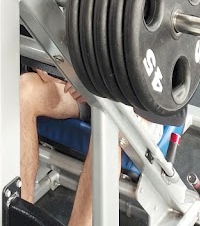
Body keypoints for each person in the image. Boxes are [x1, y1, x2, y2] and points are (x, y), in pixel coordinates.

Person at [19, 69, 165, 226]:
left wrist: (94, 86)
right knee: (24, 89)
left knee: (110, 122)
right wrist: (48, 66)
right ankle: (19, 217)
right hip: (88, 87)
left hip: (135, 107)